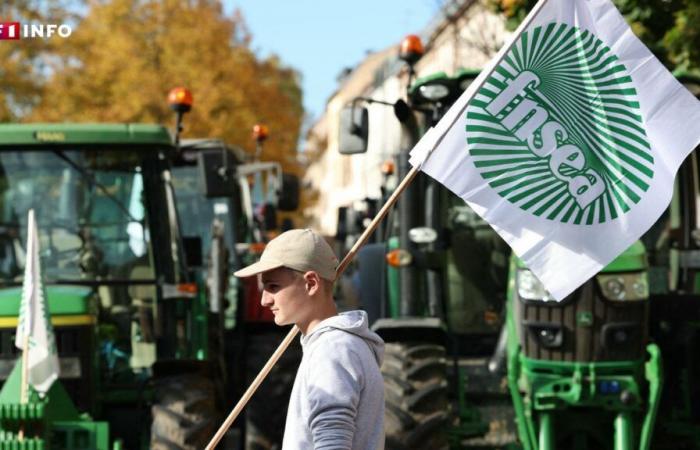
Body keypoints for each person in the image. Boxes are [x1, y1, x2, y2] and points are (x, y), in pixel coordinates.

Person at [234, 228, 385, 450]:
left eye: (273, 286)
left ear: (311, 283)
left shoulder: (332, 351)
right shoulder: (337, 346)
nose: (265, 300)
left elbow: (332, 444)